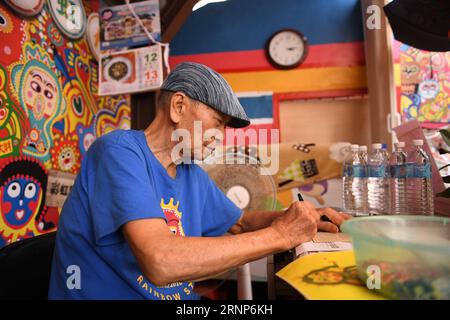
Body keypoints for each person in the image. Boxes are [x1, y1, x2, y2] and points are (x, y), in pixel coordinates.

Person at [48, 62, 350, 300]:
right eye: (218, 122)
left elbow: (240, 223)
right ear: (179, 106)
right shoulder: (119, 152)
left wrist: (298, 217)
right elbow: (161, 262)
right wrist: (283, 235)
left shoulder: (189, 170)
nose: (220, 137)